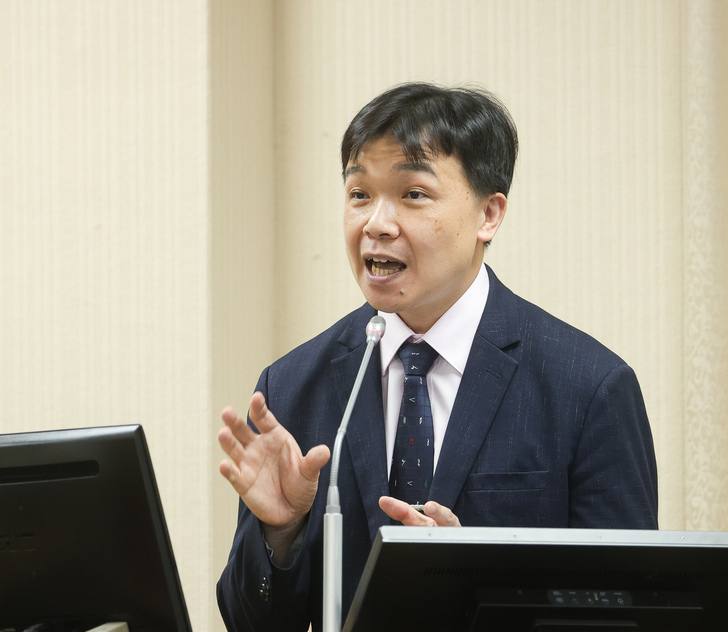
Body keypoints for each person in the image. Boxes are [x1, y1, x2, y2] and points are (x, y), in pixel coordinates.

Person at [216, 83, 658, 631]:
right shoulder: (292, 387)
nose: (375, 223)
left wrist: (480, 581)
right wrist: (279, 534)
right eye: (359, 194)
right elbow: (249, 621)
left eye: (413, 195)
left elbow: (630, 611)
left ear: (488, 215)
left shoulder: (589, 388)